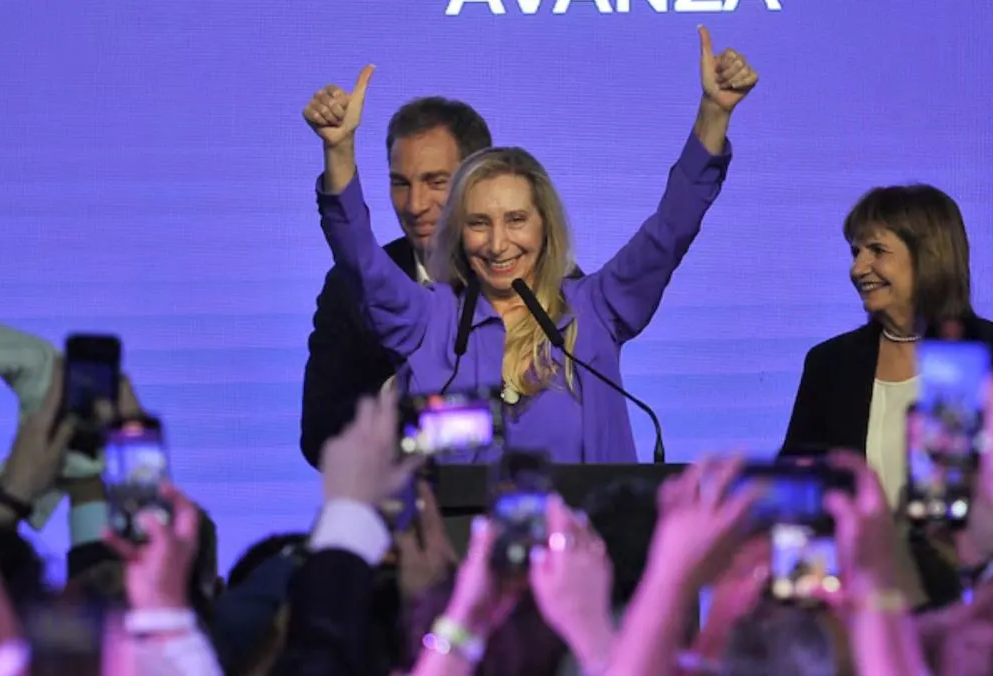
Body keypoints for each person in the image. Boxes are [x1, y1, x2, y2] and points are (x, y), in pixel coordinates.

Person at [304, 27, 757, 464]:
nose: (497, 244)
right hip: (455, 521)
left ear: (545, 225)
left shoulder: (594, 310)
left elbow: (670, 230)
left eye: (516, 220)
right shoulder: (428, 319)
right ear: (458, 232)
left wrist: (714, 114)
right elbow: (358, 257)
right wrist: (339, 150)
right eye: (478, 223)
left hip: (585, 520)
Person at [780, 183, 993, 599]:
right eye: (855, 253)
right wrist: (806, 608)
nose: (858, 269)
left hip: (973, 612)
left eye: (876, 251)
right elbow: (798, 495)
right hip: (860, 611)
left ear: (927, 255)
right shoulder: (831, 365)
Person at [299, 96, 493, 468]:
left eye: (436, 182)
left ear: (480, 181)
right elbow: (319, 437)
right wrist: (409, 393)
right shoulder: (349, 288)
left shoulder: (536, 283)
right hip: (396, 500)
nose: (414, 204)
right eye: (400, 183)